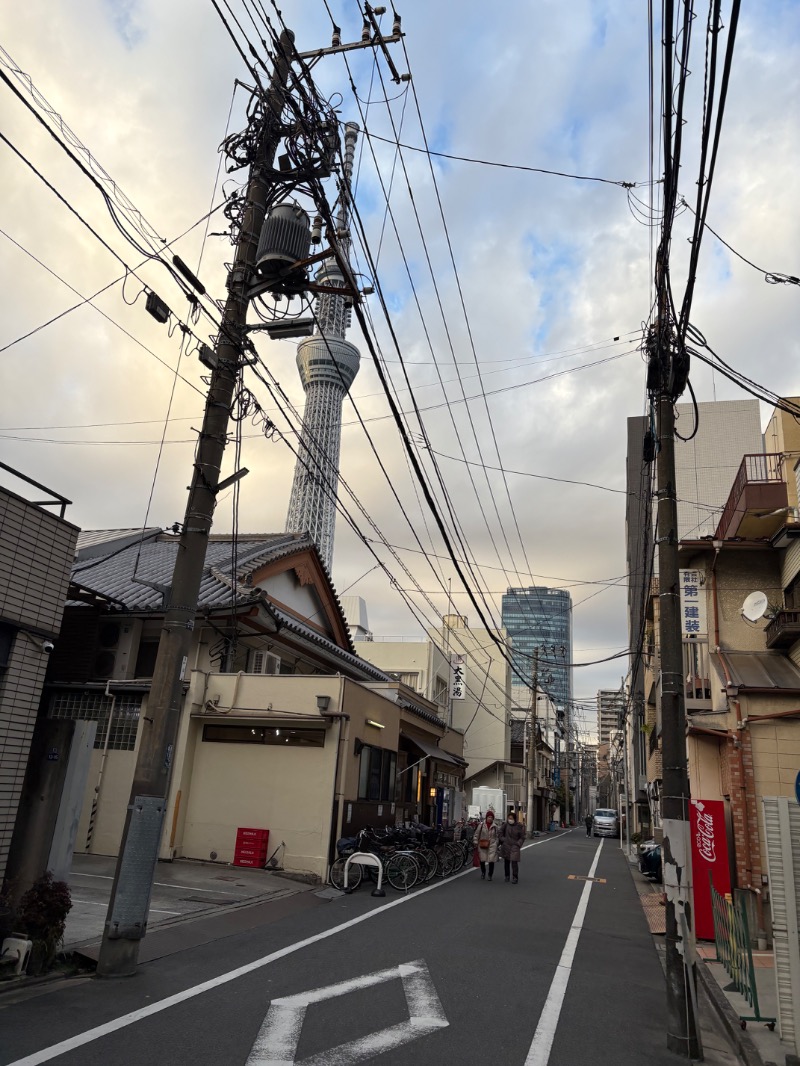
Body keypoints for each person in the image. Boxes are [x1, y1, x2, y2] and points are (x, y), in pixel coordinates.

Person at [499, 811, 525, 883]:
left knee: (514, 862)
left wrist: (518, 844)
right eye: (509, 818)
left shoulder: (519, 826)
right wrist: (503, 839)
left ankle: (515, 877)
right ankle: (507, 876)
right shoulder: (505, 825)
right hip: (506, 845)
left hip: (515, 846)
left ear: (514, 819)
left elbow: (522, 837)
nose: (510, 820)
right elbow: (500, 832)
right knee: (506, 861)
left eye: (511, 818)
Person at [474, 810, 499, 881]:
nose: (490, 818)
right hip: (482, 845)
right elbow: (476, 834)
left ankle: (490, 875)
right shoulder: (481, 825)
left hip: (492, 845)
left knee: (491, 860)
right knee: (482, 860)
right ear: (486, 817)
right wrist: (475, 841)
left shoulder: (495, 826)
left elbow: (497, 836)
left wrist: (496, 843)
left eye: (491, 817)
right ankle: (483, 872)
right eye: (489, 817)